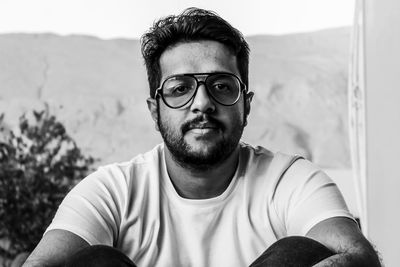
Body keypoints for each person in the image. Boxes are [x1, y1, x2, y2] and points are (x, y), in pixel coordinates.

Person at [23, 7, 380, 267]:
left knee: (298, 254)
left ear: (246, 105)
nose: (203, 104)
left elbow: (358, 256)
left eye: (222, 86)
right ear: (154, 109)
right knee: (96, 262)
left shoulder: (290, 180)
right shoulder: (112, 191)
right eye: (180, 89)